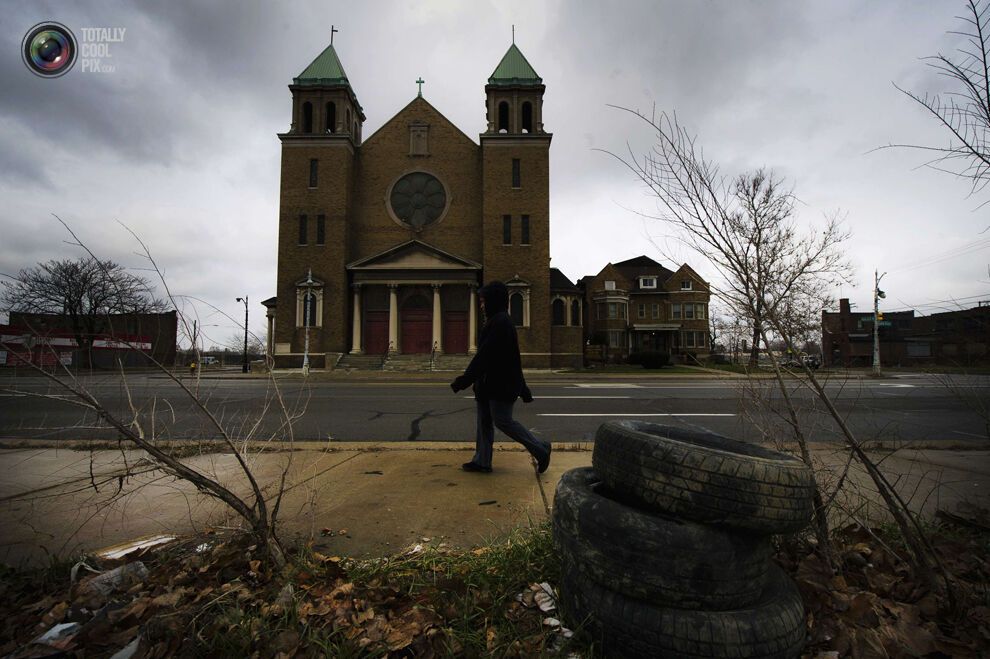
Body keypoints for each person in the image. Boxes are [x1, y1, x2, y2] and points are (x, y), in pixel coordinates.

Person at [450, 281, 551, 474]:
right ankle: (482, 461)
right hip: (487, 385)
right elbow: (511, 357)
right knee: (484, 423)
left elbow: (486, 356)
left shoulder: (501, 323)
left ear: (493, 300)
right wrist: (523, 387)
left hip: (500, 385)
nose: (481, 305)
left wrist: (464, 380)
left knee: (503, 421)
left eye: (483, 301)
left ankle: (541, 449)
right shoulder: (495, 321)